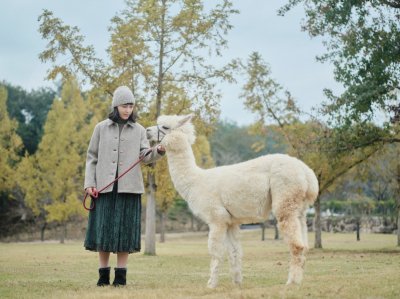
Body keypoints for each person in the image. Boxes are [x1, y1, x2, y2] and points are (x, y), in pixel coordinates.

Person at [83, 86, 165, 287]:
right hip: (103, 189)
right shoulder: (100, 128)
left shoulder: (139, 130)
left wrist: (158, 151)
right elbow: (91, 157)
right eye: (124, 105)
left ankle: (120, 278)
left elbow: (145, 156)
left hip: (129, 190)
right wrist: (89, 184)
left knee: (124, 233)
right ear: (116, 106)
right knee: (103, 231)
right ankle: (103, 277)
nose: (128, 109)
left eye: (130, 105)